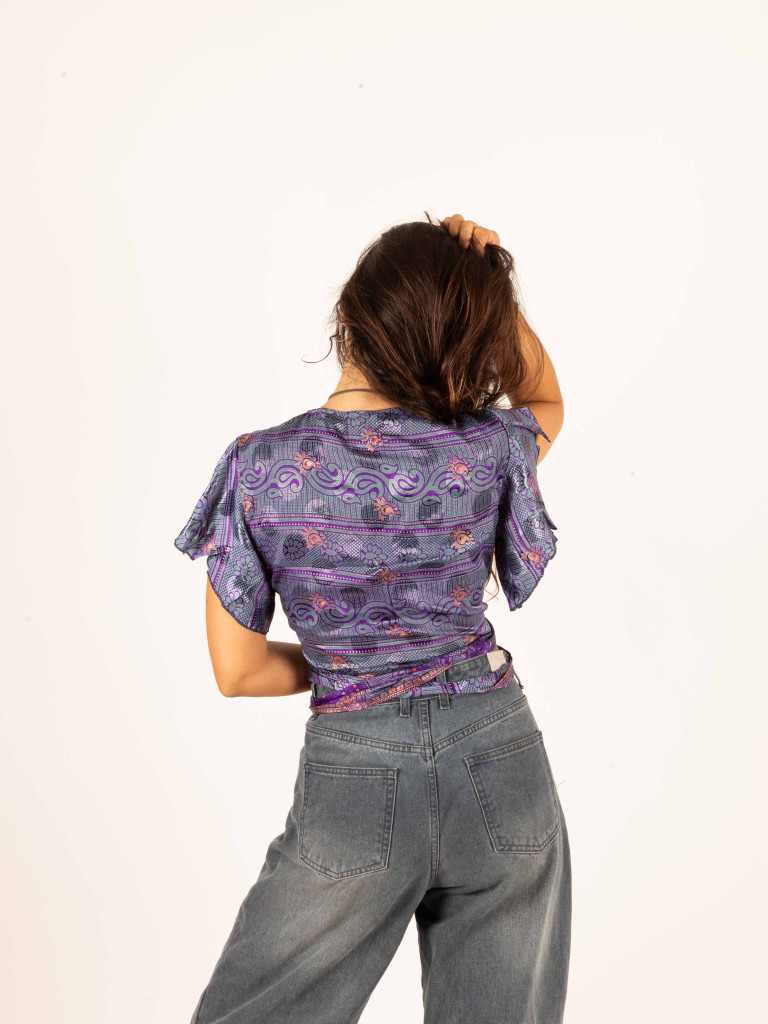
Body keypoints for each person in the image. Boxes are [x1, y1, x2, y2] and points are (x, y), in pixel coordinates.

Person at [174, 212, 570, 1023]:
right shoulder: (482, 447)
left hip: (358, 772)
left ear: (349, 317)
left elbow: (237, 671)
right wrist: (489, 280)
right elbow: (544, 398)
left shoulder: (263, 466)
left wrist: (355, 661)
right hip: (499, 753)